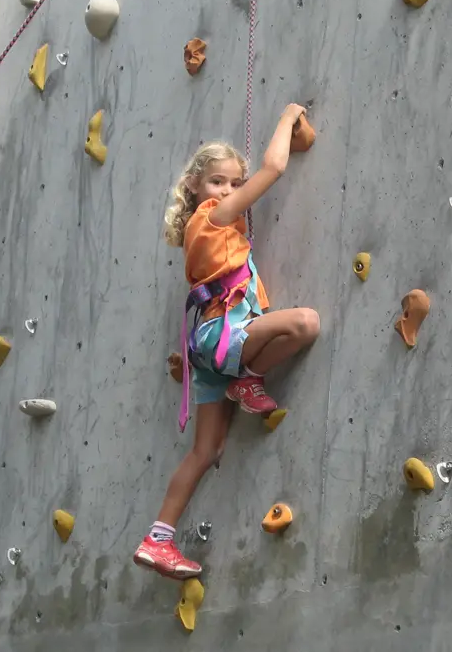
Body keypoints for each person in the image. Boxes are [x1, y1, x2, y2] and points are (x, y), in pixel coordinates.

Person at [133, 104, 321, 579]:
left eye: (235, 184)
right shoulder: (213, 217)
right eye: (219, 181)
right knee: (305, 323)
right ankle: (249, 378)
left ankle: (158, 538)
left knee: (206, 451)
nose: (229, 191)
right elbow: (274, 168)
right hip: (224, 336)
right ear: (196, 187)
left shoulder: (204, 232)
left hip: (209, 350)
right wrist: (288, 117)